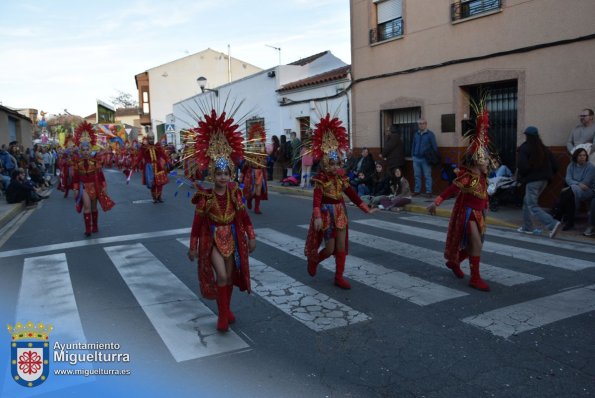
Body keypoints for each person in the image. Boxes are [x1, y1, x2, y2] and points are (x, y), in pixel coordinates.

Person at [186, 108, 256, 332]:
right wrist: (193, 246)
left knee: (230, 276)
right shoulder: (205, 197)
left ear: (231, 174)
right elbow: (197, 225)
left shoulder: (235, 193)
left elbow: (244, 216)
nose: (222, 177)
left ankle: (225, 310)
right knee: (223, 275)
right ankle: (222, 315)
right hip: (213, 240)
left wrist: (251, 236)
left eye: (226, 174)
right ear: (212, 175)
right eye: (218, 173)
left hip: (233, 238)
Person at [304, 113, 378, 289]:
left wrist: (365, 208)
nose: (336, 166)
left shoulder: (341, 178)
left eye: (338, 163)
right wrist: (317, 216)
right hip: (326, 214)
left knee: (341, 246)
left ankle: (339, 276)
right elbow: (316, 200)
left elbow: (352, 194)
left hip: (341, 213)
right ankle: (314, 260)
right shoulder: (321, 179)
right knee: (329, 249)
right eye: (332, 163)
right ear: (325, 163)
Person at [426, 107, 492, 291]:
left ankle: (455, 263)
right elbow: (451, 189)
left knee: (475, 245)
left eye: (487, 159)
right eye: (485, 159)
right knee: (476, 245)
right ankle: (475, 278)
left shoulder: (483, 177)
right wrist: (436, 202)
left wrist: (486, 207)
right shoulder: (468, 177)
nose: (488, 162)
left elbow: (484, 195)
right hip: (468, 214)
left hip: (480, 214)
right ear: (476, 162)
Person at [516, 126, 561, 238]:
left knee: (532, 205)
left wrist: (523, 177)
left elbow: (522, 166)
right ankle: (527, 227)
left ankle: (552, 224)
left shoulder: (525, 148)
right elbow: (556, 165)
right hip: (545, 180)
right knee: (527, 202)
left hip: (532, 181)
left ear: (526, 135)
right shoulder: (544, 148)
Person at [72, 121, 115, 237]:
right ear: (81, 150)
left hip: (95, 186)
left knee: (94, 207)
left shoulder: (95, 161)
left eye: (87, 149)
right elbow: (76, 177)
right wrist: (76, 189)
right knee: (86, 207)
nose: (85, 151)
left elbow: (100, 175)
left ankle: (95, 225)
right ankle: (88, 228)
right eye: (83, 150)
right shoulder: (77, 163)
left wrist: (104, 186)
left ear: (90, 149)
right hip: (84, 187)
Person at [553, 146, 595, 231]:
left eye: (584, 155)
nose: (582, 157)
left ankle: (559, 215)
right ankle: (570, 222)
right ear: (575, 156)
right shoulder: (571, 165)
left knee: (565, 193)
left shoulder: (590, 167)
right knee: (570, 196)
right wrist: (578, 183)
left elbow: (586, 183)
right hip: (575, 189)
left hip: (588, 190)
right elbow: (568, 179)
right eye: (580, 155)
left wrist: (575, 183)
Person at [132, 134, 170, 203]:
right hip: (149, 168)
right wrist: (135, 164)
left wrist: (168, 161)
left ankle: (159, 197)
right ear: (148, 139)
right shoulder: (144, 148)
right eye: (150, 139)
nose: (151, 140)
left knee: (160, 182)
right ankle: (154, 198)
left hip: (158, 167)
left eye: (152, 138)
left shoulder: (158, 146)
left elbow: (163, 154)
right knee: (152, 183)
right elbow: (139, 157)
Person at [241, 122, 268, 214]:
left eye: (259, 134)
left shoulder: (263, 147)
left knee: (258, 190)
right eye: (255, 135)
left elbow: (265, 159)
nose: (257, 137)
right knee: (250, 190)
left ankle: (257, 208)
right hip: (251, 171)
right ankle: (249, 200)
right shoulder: (249, 147)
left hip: (260, 171)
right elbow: (246, 160)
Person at [411, 118, 439, 197]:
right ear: (418, 125)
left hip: (426, 159)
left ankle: (429, 192)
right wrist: (412, 155)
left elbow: (434, 147)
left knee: (427, 176)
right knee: (417, 176)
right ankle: (417, 191)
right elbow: (413, 145)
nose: (421, 125)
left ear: (426, 124)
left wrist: (434, 158)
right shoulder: (416, 134)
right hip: (416, 158)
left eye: (423, 123)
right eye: (420, 124)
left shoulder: (430, 134)